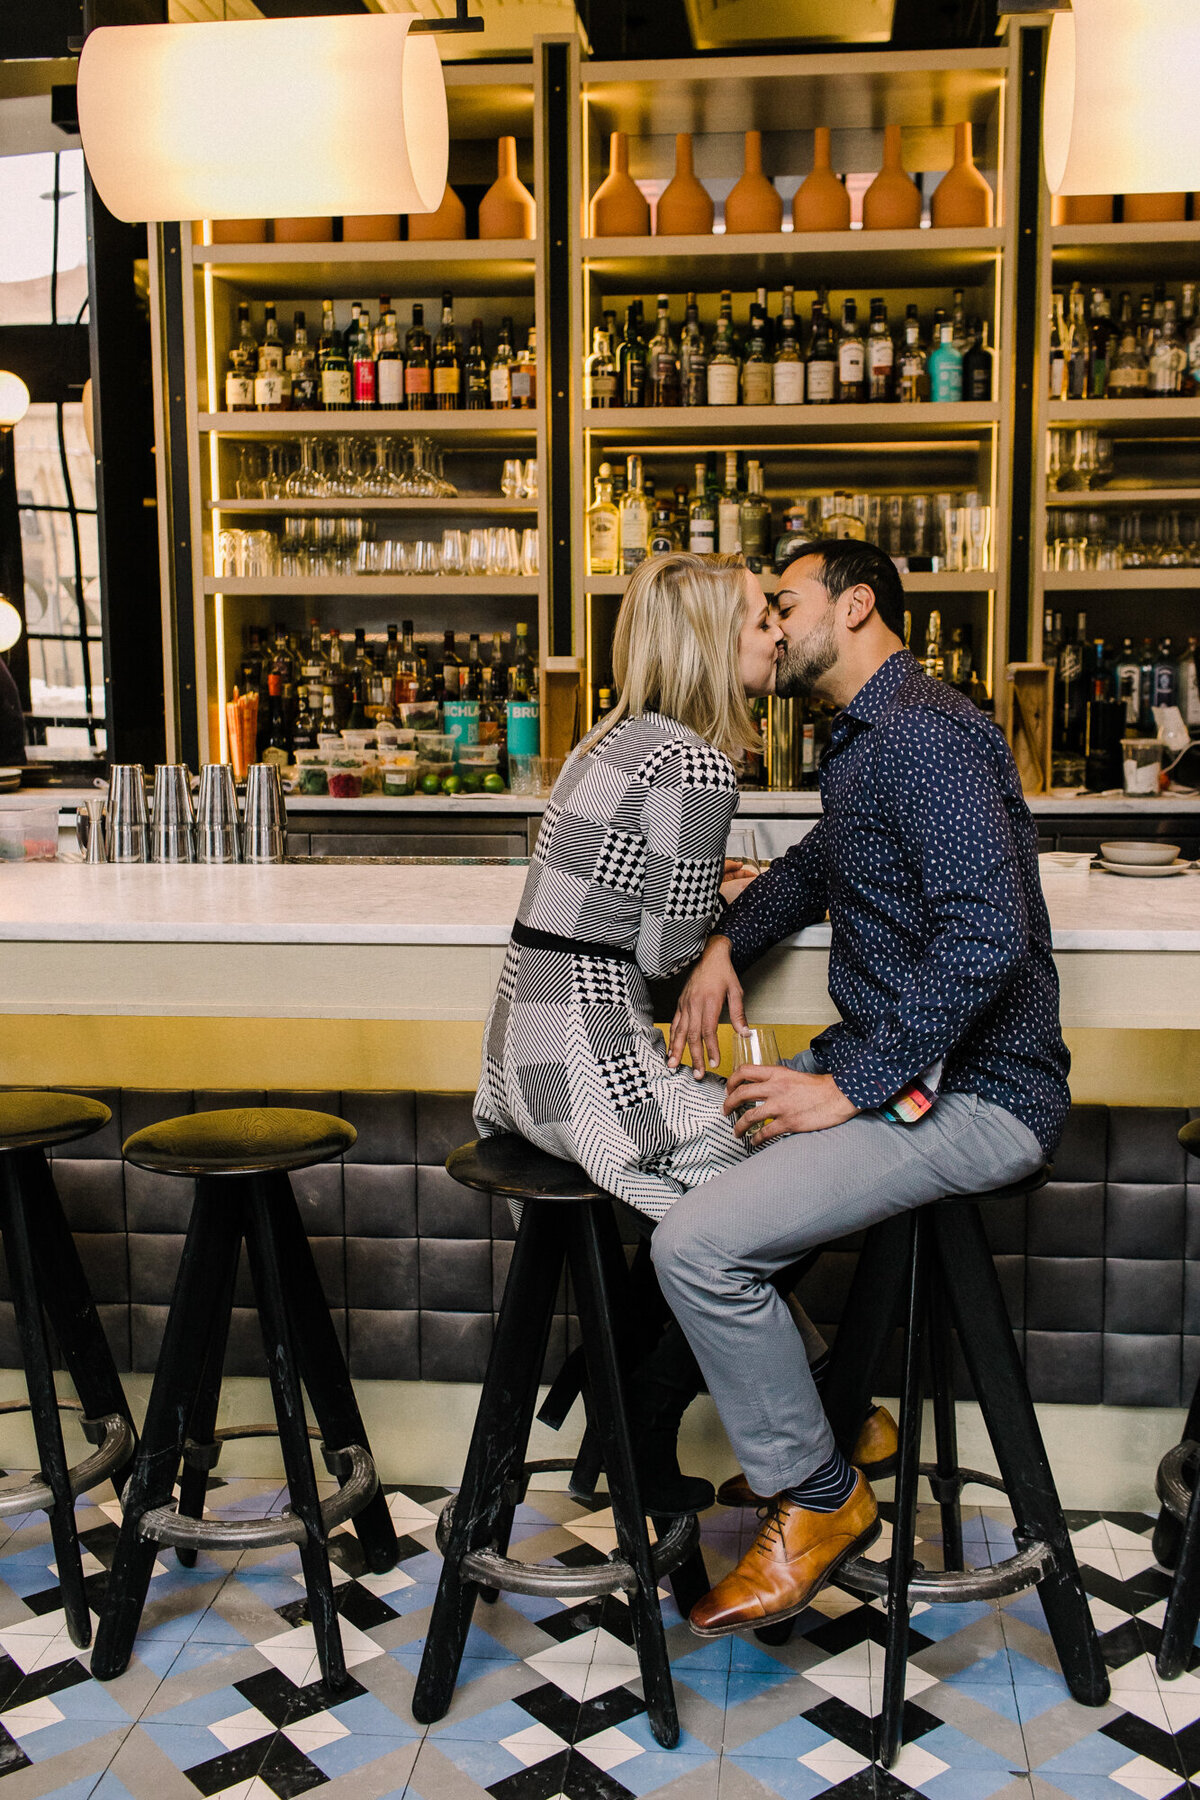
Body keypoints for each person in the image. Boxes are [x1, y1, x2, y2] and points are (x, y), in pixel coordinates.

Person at [655, 537, 1067, 1638]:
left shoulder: (926, 738)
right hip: (909, 1076)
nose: (773, 626)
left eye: (785, 604)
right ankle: (847, 1421)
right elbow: (816, 866)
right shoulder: (873, 737)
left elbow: (990, 937)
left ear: (860, 605)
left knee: (694, 1246)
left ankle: (820, 1495)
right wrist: (725, 945)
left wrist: (851, 1089)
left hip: (980, 1096)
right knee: (692, 1153)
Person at [474, 550, 781, 1514]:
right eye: (758, 617)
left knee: (736, 1191)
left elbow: (618, 903)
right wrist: (736, 902)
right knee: (786, 1173)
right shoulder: (697, 762)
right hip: (589, 1055)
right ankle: (635, 1416)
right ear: (710, 644)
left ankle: (602, 1387)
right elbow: (662, 956)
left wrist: (703, 880)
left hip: (518, 1050)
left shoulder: (609, 739)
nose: (776, 630)